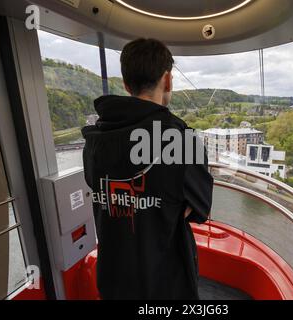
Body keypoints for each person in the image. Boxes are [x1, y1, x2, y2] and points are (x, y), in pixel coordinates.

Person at [82, 38, 214, 300]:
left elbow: (101, 190)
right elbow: (199, 209)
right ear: (168, 80)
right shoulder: (180, 140)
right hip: (164, 284)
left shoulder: (93, 139)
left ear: (126, 84)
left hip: (112, 278)